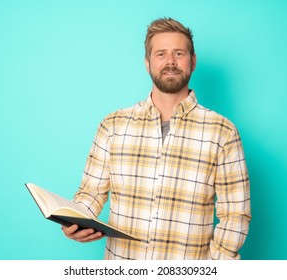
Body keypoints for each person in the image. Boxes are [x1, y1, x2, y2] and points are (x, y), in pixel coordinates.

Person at [62, 17, 251, 260]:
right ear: (147, 63)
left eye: (179, 53)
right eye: (161, 54)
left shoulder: (222, 132)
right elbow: (91, 193)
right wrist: (73, 221)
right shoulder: (113, 126)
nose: (170, 61)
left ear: (192, 62)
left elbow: (235, 214)